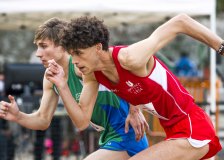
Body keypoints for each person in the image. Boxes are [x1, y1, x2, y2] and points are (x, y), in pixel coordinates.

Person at [46, 14, 224, 160]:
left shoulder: (131, 57)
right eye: (72, 54)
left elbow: (179, 22)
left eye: (79, 53)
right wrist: (62, 86)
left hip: (193, 127)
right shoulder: (92, 74)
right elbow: (81, 122)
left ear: (98, 47)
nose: (75, 61)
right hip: (172, 131)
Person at [0, 18, 149, 160]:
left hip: (128, 135)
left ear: (62, 45)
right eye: (37, 47)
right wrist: (18, 116)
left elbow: (131, 68)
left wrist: (134, 108)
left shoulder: (82, 67)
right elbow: (43, 119)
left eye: (44, 46)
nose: (38, 53)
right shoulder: (50, 77)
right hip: (108, 138)